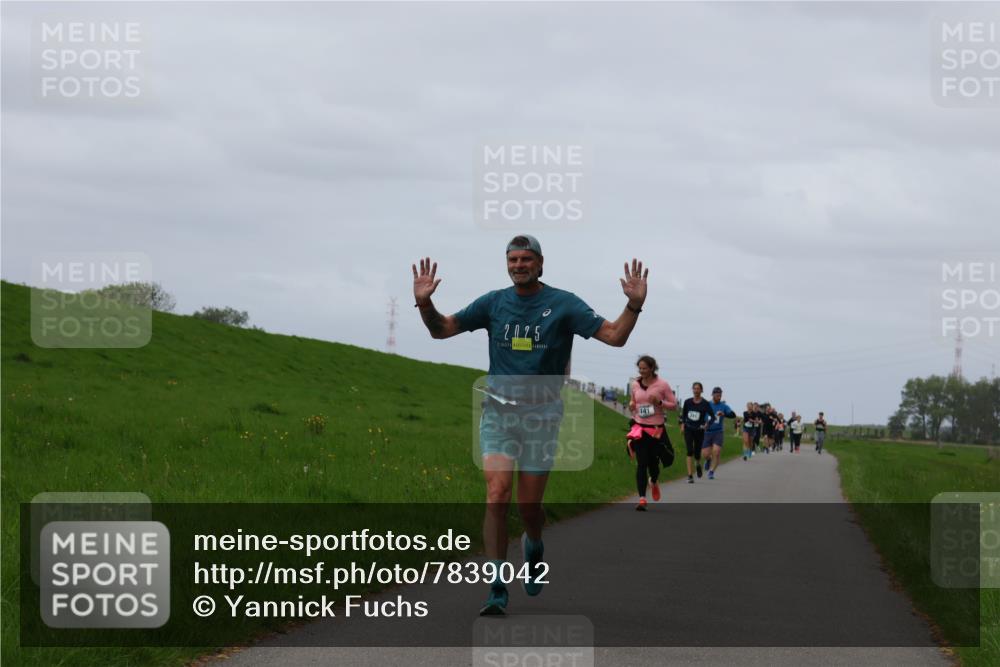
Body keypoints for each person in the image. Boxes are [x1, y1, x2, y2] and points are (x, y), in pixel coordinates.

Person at [413, 235, 649, 616]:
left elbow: (614, 336)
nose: (518, 265)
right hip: (498, 413)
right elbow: (442, 329)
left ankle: (534, 547)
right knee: (496, 493)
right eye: (512, 259)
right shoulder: (493, 303)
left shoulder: (563, 304)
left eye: (526, 259)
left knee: (528, 507)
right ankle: (496, 586)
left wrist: (633, 306)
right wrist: (425, 303)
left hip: (542, 416)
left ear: (540, 263)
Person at [627, 356, 677, 510]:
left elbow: (674, 405)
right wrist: (632, 404)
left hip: (656, 430)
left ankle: (653, 481)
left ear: (652, 368)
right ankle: (642, 499)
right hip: (639, 428)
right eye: (640, 368)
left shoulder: (662, 385)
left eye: (645, 368)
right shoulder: (635, 384)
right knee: (641, 463)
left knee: (654, 465)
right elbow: (633, 401)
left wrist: (660, 403)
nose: (642, 371)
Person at [680, 382, 715, 483]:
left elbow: (712, 417)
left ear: (701, 390)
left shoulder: (705, 403)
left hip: (699, 430)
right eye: (694, 389)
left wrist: (707, 424)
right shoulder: (687, 402)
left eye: (698, 389)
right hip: (689, 429)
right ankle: (690, 475)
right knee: (689, 451)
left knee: (697, 452)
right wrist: (682, 425)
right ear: (692, 390)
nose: (696, 390)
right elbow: (683, 415)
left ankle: (698, 464)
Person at [703, 386, 737, 479]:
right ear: (713, 394)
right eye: (717, 395)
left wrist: (724, 414)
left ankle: (711, 471)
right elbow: (702, 415)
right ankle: (708, 460)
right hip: (707, 432)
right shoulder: (707, 404)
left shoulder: (724, 406)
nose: (719, 397)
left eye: (720, 395)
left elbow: (733, 415)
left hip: (718, 432)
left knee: (716, 452)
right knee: (705, 454)